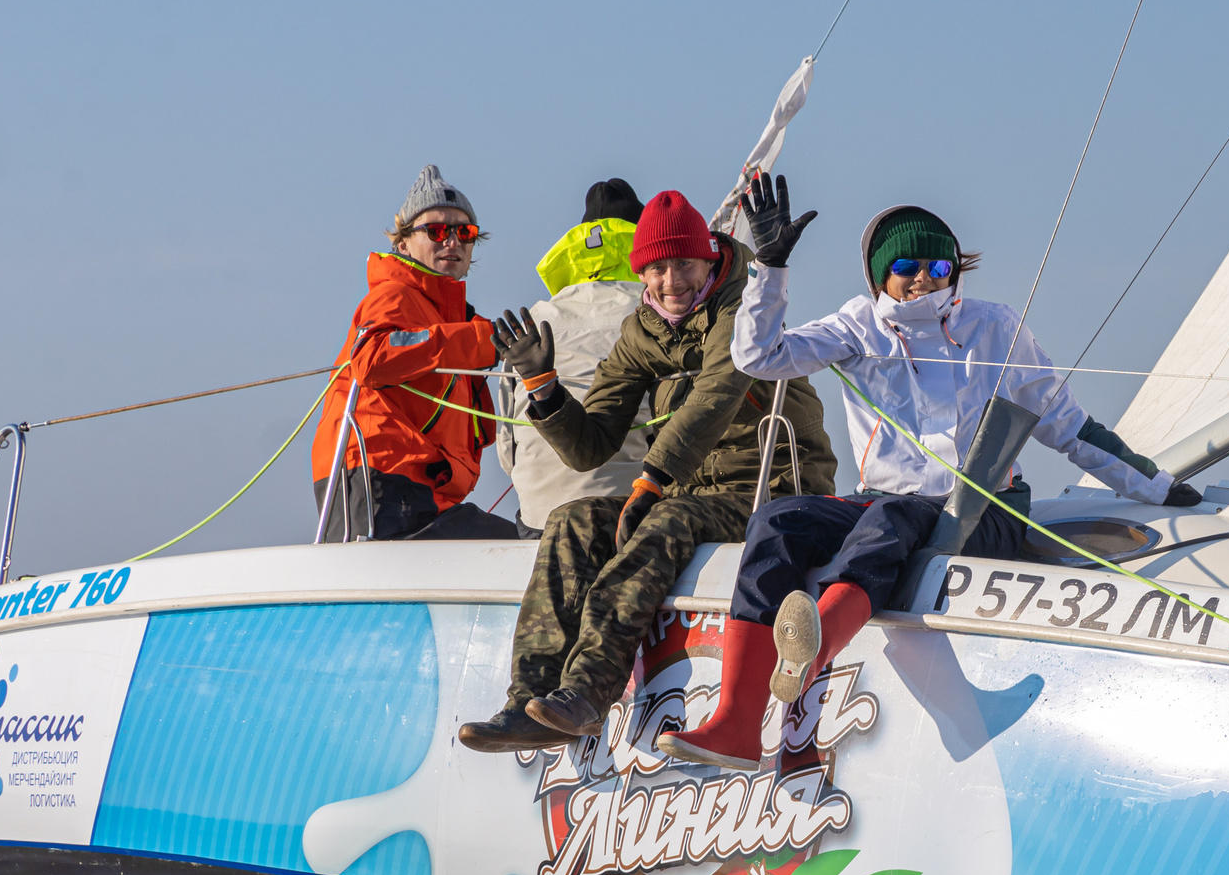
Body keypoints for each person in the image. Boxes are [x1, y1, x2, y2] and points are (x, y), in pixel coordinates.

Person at [657, 175, 1200, 770]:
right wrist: (771, 267)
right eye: (908, 266)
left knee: (893, 517)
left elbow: (1070, 426)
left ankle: (809, 657)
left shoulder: (995, 327)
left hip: (986, 511)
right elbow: (759, 357)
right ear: (879, 275)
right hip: (886, 500)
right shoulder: (857, 325)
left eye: (940, 267)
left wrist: (1156, 486)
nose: (925, 278)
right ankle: (735, 722)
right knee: (777, 521)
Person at [458, 188, 838, 752]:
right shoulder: (643, 331)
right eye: (656, 268)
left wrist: (652, 481)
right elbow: (592, 446)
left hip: (771, 488)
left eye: (683, 264)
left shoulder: (740, 312)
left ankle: (588, 693)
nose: (671, 281)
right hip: (689, 488)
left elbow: (715, 399)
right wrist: (543, 387)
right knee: (573, 521)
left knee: (664, 520)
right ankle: (529, 701)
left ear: (708, 258)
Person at [310, 165, 524, 542]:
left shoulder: (447, 316)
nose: (453, 241)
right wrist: (478, 344)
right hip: (385, 486)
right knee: (528, 554)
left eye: (465, 232)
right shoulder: (395, 295)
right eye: (437, 230)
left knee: (527, 548)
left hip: (421, 494)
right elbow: (371, 358)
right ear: (403, 243)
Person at [494, 178, 655, 536]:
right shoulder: (656, 315)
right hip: (631, 515)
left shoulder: (533, 320)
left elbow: (507, 449)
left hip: (540, 518)